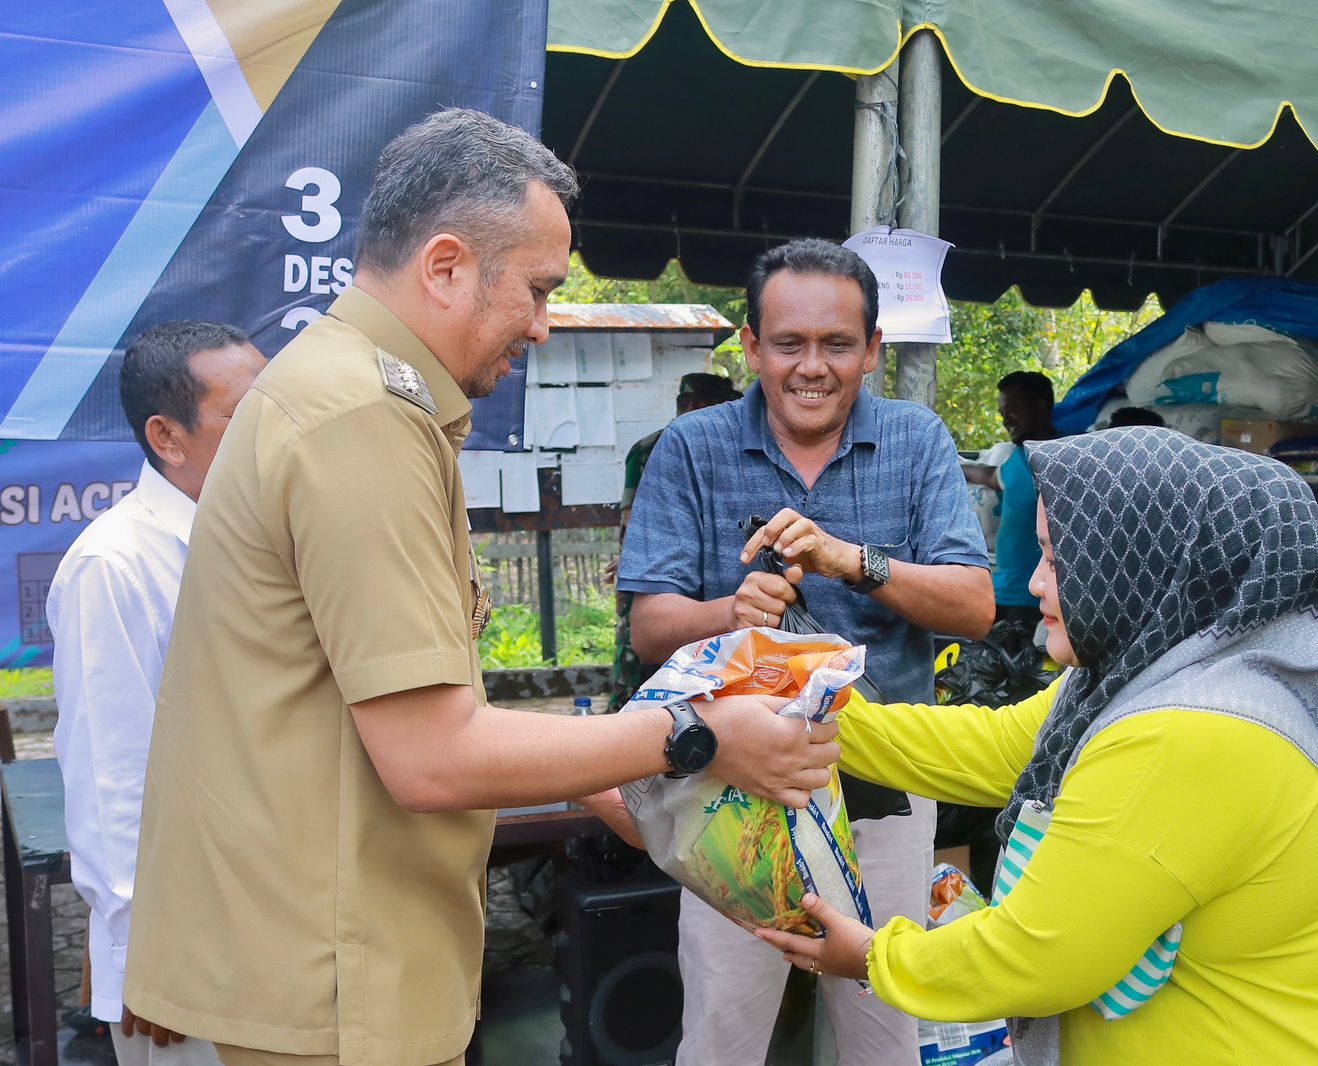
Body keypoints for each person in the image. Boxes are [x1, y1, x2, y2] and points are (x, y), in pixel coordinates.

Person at [122, 109, 837, 1066]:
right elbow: (431, 758)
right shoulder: (360, 420)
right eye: (538, 290)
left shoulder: (347, 393)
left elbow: (402, 699)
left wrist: (605, 786)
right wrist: (695, 737)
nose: (543, 326)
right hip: (341, 967)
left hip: (334, 948)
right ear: (448, 265)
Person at [756, 429, 1318, 1066]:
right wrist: (796, 697)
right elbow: (990, 746)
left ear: (1141, 566)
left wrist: (875, 957)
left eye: (1057, 559)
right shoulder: (1138, 678)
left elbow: (1037, 954)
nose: (1038, 584)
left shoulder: (1190, 731)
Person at [618, 238, 994, 1065]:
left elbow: (973, 605)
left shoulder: (915, 440)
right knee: (723, 1031)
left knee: (881, 1031)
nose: (811, 367)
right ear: (750, 345)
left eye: (836, 345)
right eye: (788, 344)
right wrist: (728, 610)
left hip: (886, 788)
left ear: (873, 350)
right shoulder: (694, 447)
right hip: (731, 794)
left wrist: (850, 560)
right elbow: (650, 625)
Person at [48, 321, 266, 1066]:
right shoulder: (115, 564)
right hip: (187, 952)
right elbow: (113, 778)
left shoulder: (254, 534)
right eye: (248, 415)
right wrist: (142, 953)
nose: (276, 430)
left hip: (272, 921)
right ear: (168, 438)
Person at [610, 372, 742, 710]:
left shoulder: (731, 446)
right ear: (697, 405)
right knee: (639, 661)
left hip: (706, 589)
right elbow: (634, 524)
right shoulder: (653, 449)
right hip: (660, 577)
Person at [963, 371, 1057, 627]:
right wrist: (950, 465)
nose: (1006, 419)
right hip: (1001, 591)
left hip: (1035, 598)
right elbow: (991, 476)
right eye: (1003, 412)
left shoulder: (1062, 457)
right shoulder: (1018, 457)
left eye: (1013, 409)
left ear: (1039, 406)